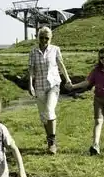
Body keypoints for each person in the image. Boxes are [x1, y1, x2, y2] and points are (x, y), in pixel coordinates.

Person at [28, 26, 73, 154]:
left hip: (53, 84)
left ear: (50, 38)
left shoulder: (55, 50)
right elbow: (31, 70)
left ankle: (52, 142)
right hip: (39, 86)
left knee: (49, 110)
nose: (44, 40)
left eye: (46, 38)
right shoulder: (33, 52)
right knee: (43, 116)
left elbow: (61, 64)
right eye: (41, 37)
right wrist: (30, 85)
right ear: (38, 38)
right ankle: (50, 141)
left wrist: (67, 79)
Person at [71, 47, 104, 155]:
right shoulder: (96, 71)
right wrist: (73, 86)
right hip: (98, 99)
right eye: (101, 58)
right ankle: (95, 145)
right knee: (98, 121)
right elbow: (87, 82)